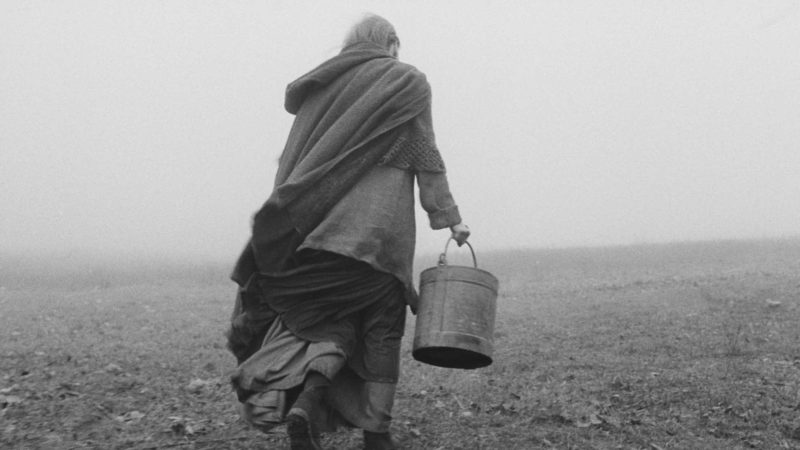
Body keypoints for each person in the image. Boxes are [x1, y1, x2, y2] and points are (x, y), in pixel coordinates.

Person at [226, 14, 470, 450]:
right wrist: (450, 218)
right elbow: (427, 158)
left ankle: (305, 406)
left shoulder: (321, 89)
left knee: (330, 326)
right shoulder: (406, 82)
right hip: (380, 241)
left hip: (316, 236)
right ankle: (377, 435)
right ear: (391, 43)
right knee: (382, 330)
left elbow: (293, 164)